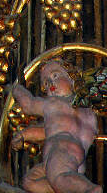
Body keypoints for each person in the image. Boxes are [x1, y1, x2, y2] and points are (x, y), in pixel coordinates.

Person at [11, 59, 100, 193]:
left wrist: (15, 88)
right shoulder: (86, 109)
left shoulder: (53, 103)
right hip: (74, 156)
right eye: (46, 83)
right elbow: (47, 131)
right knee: (29, 181)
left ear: (72, 78)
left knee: (58, 178)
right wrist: (22, 136)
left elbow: (28, 104)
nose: (51, 84)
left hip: (60, 148)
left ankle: (90, 190)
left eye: (56, 76)